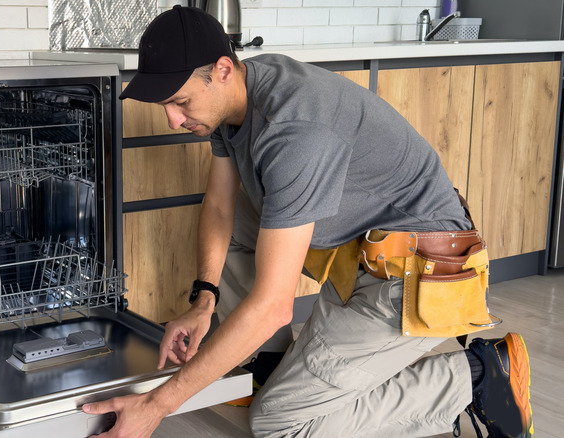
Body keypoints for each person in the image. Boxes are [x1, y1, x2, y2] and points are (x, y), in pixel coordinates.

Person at [82, 5, 533, 438]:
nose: (173, 119)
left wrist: (158, 405)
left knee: (280, 423)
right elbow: (220, 207)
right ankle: (270, 363)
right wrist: (204, 300)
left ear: (222, 69)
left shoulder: (295, 131)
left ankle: (477, 378)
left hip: (417, 273)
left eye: (180, 102)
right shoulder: (239, 96)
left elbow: (275, 304)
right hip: (359, 249)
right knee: (243, 212)